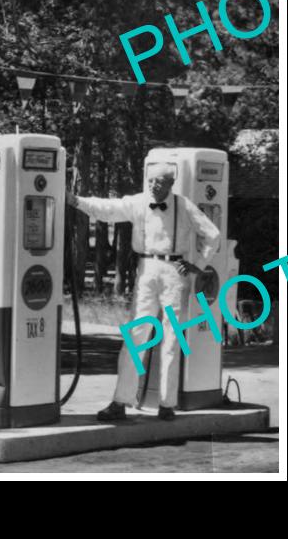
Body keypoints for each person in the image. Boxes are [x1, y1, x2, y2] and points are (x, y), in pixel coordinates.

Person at [65, 162, 221, 422]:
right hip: (146, 268)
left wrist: (199, 265)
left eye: (159, 182)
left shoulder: (183, 206)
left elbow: (213, 234)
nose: (153, 186)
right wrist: (76, 201)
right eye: (150, 181)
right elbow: (108, 208)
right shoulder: (138, 202)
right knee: (136, 335)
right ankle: (120, 401)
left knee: (172, 339)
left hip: (174, 271)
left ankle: (167, 404)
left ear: (171, 184)